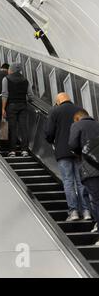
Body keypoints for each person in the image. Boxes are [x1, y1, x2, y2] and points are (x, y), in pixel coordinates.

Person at [46, 93, 91, 222]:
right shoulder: (80, 110)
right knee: (81, 181)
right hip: (79, 152)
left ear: (58, 101)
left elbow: (49, 132)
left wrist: (52, 140)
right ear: (69, 99)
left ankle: (74, 212)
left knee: (68, 182)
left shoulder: (55, 111)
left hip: (62, 152)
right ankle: (87, 211)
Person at [69, 109, 99, 237]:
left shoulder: (77, 125)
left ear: (77, 118)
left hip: (89, 168)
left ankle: (98, 223)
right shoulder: (97, 124)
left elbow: (72, 144)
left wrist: (79, 153)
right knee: (87, 194)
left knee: (94, 198)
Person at [2, 63, 34, 158]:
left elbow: (5, 94)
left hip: (11, 106)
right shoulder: (25, 80)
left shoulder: (6, 79)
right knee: (23, 127)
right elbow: (31, 96)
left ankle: (12, 150)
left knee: (12, 127)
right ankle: (24, 150)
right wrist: (25, 99)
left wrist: (3, 108)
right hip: (23, 106)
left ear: (11, 69)